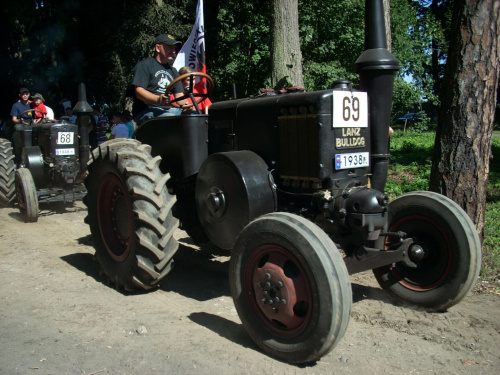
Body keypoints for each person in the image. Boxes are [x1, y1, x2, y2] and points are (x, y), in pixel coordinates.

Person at [131, 33, 192, 123]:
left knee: (195, 115)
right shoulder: (145, 65)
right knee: (168, 117)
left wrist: (187, 106)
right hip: (145, 111)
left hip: (166, 111)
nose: (173, 51)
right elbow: (139, 92)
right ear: (158, 48)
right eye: (169, 47)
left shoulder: (173, 71)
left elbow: (179, 95)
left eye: (174, 48)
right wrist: (158, 99)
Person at [10, 88, 33, 163]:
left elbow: (41, 107)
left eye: (26, 94)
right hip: (21, 125)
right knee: (18, 129)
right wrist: (19, 121)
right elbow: (14, 119)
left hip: (32, 124)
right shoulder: (16, 105)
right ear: (20, 95)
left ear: (29, 95)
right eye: (23, 94)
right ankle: (19, 152)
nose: (25, 96)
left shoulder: (32, 104)